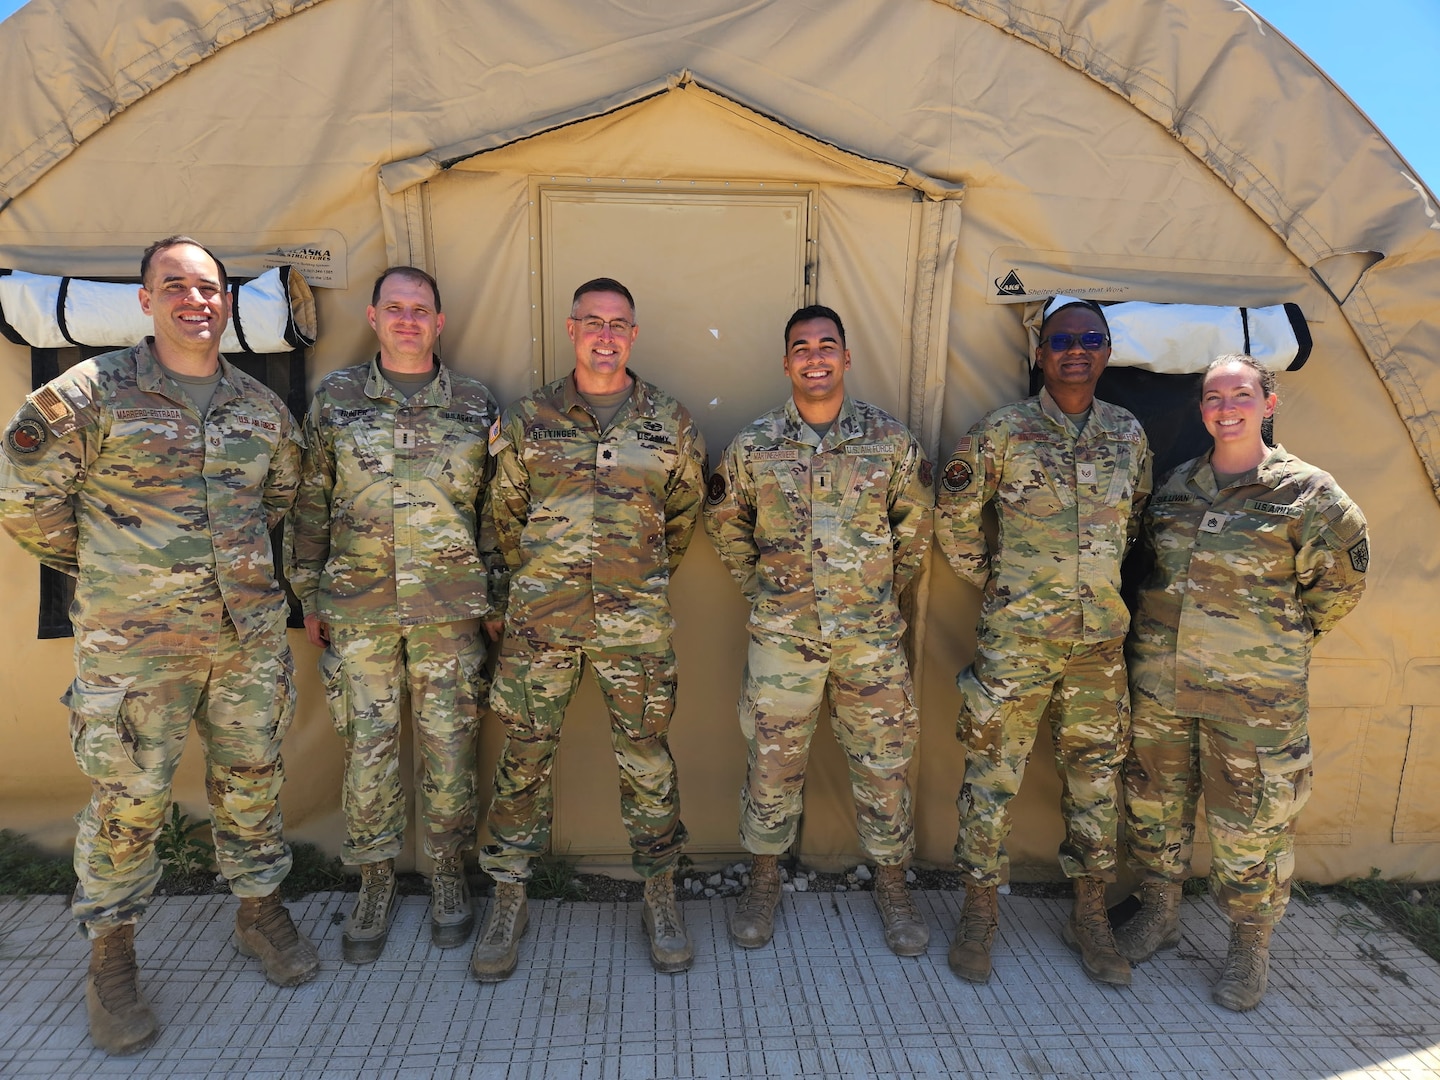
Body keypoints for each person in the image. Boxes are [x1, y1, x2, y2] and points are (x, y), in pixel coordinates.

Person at [0, 237, 317, 1055]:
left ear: (228, 302)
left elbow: (279, 499)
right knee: (127, 801)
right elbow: (24, 495)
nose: (194, 300)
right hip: (134, 647)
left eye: (208, 287)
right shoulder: (92, 394)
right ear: (146, 301)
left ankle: (259, 910)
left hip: (243, 639)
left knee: (251, 781)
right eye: (173, 285)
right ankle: (112, 954)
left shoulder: (259, 409)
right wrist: (107, 569)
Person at [471, 277, 707, 980]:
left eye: (619, 325)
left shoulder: (670, 422)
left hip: (633, 626)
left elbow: (682, 518)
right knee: (522, 763)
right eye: (593, 322)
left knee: (648, 762)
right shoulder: (528, 418)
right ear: (572, 328)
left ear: (633, 336)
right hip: (541, 624)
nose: (606, 335)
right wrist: (530, 589)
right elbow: (501, 517)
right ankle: (508, 896)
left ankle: (660, 893)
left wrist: (633, 576)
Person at [1117, 353, 1367, 1011]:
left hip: (1253, 696)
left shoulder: (1310, 496)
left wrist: (1270, 647)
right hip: (1165, 684)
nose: (1226, 408)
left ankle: (1249, 945)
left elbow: (1336, 591)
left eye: (1240, 394)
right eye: (1213, 397)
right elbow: (1151, 573)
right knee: (1153, 801)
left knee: (1251, 823)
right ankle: (1160, 912)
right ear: (1201, 409)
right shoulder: (1174, 488)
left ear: (1268, 403)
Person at [704, 305, 935, 956]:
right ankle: (764, 878)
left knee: (884, 765)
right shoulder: (755, 445)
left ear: (845, 357)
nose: (814, 356)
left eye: (826, 345)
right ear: (786, 362)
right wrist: (765, 593)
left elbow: (915, 530)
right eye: (801, 347)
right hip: (785, 640)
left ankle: (893, 883)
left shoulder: (889, 442)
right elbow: (726, 525)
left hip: (870, 640)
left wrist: (879, 595)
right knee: (772, 765)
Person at [286, 266, 501, 963]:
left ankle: (446, 876)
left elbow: (497, 510)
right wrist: (309, 590)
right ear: (375, 317)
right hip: (360, 607)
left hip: (449, 611)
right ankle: (374, 881)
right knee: (368, 753)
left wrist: (494, 597)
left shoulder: (473, 404)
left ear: (439, 323)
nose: (409, 320)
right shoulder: (336, 401)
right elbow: (310, 503)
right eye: (396, 309)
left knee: (449, 752)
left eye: (422, 310)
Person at [936, 298, 1152, 986]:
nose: (1077, 350)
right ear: (1041, 353)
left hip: (1098, 650)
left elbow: (1137, 517)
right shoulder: (1003, 432)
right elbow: (955, 519)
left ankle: (1088, 913)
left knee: (1095, 785)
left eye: (1091, 339)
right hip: (1017, 646)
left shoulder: (1128, 435)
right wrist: (1001, 587)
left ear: (1108, 352)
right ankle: (978, 911)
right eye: (1063, 340)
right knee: (991, 781)